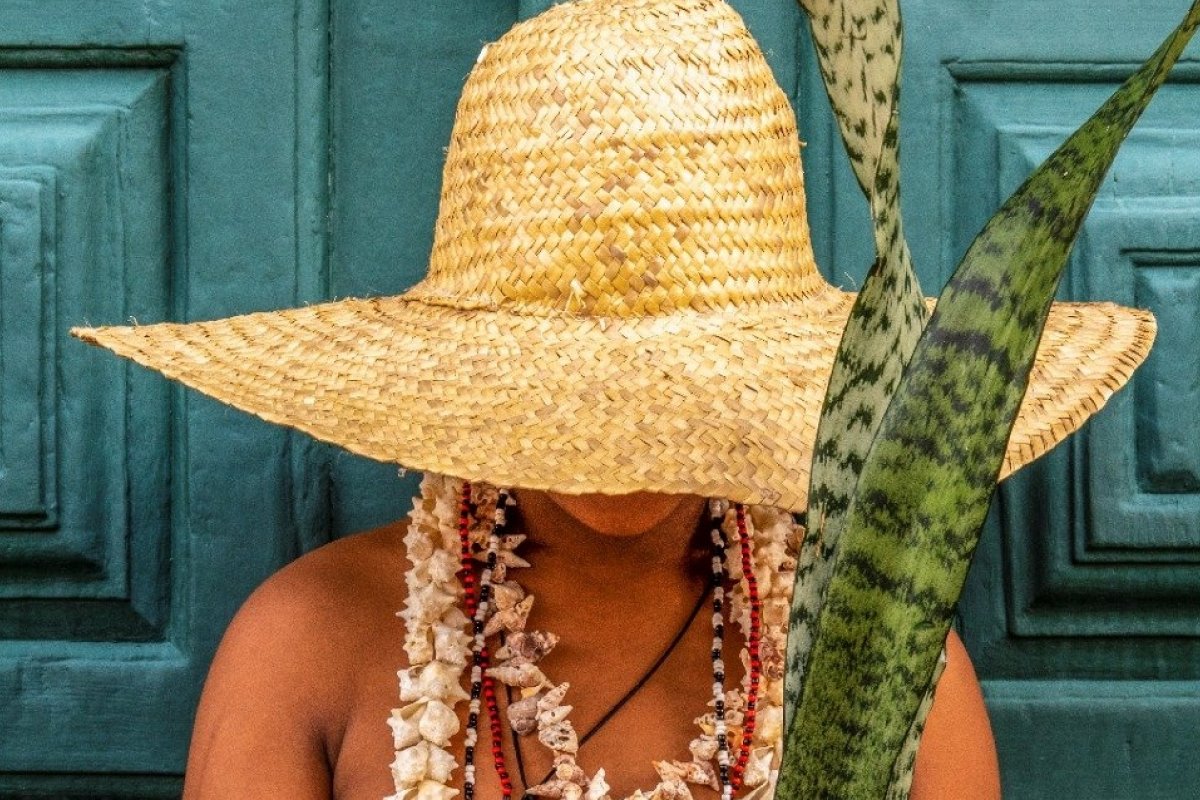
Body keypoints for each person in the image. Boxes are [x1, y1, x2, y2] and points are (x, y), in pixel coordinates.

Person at [71, 0, 1153, 798]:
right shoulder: (304, 647)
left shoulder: (884, 661)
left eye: (667, 392)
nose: (619, 452)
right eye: (576, 392)